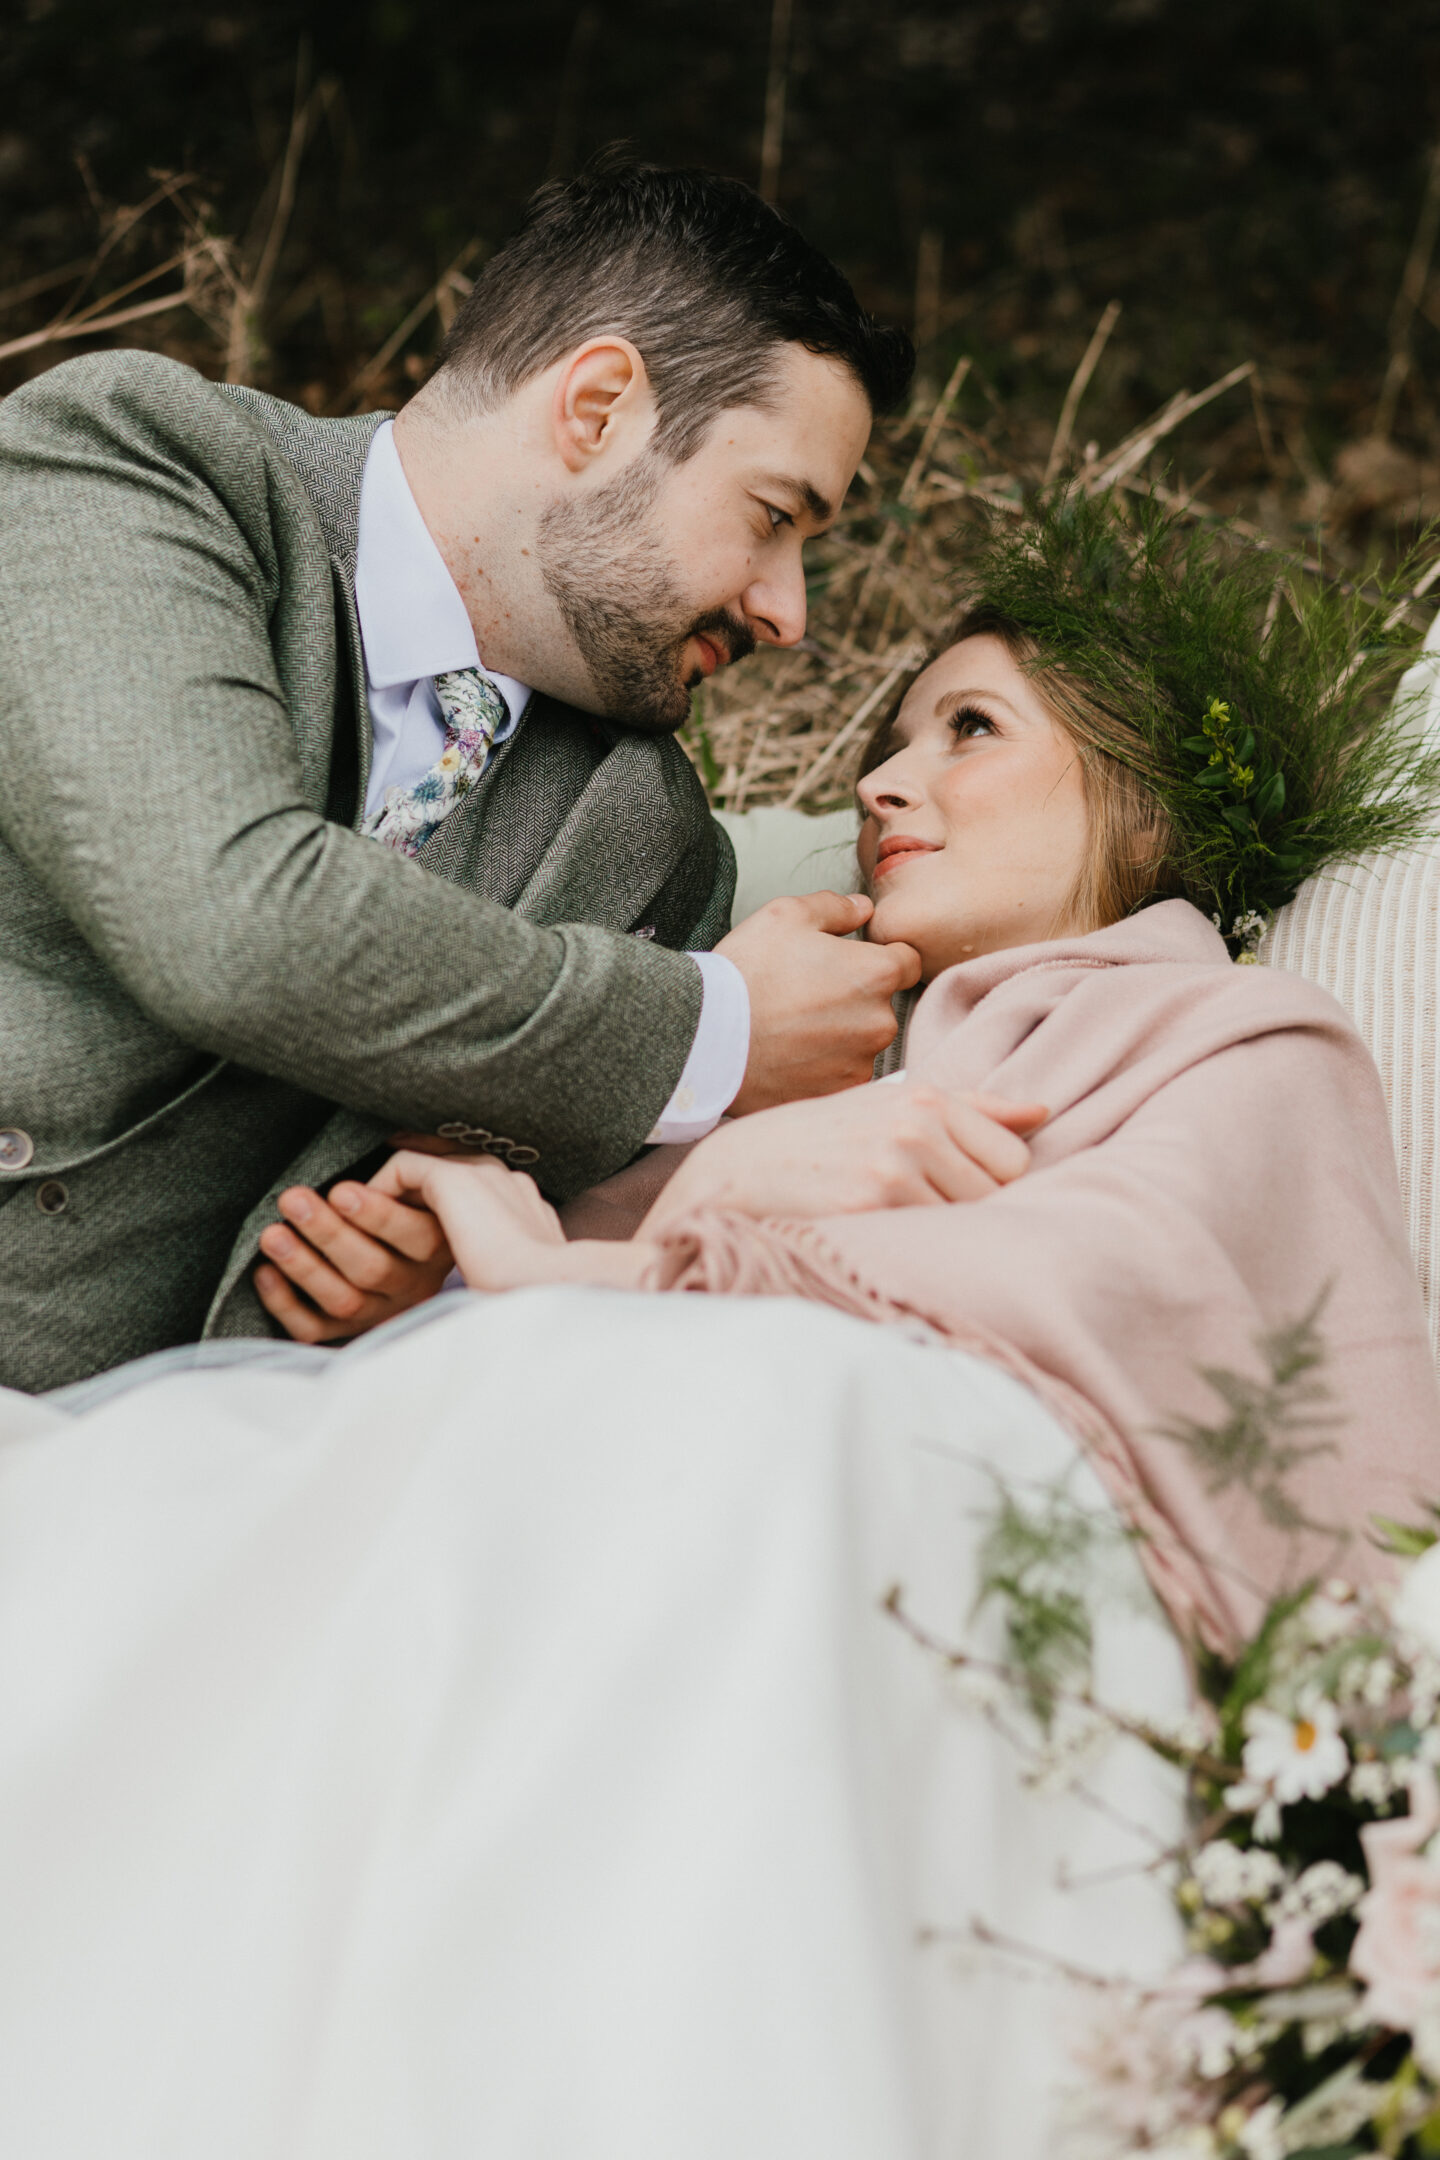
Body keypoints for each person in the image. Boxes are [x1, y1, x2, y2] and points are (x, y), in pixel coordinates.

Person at [1, 491, 1437, 2160]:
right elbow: (574, 1296)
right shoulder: (779, 1090)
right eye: (885, 751)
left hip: (921, 1509)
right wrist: (434, 1276)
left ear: (1142, 806)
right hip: (633, 1465)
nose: (887, 784)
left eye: (969, 731)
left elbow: (1137, 1314)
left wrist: (635, 1254)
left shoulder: (1241, 1039)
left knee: (767, 1434)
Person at [0, 152, 920, 1394]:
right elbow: (227, 920)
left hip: (148, 1461)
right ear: (598, 410)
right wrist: (713, 1029)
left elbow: (472, 1191)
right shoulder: (144, 467)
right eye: (772, 516)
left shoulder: (652, 847)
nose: (788, 612)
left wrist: (406, 1267)